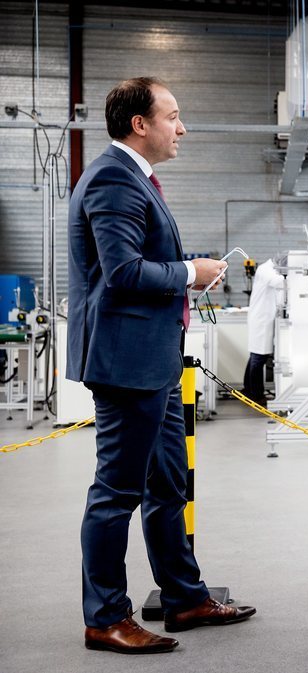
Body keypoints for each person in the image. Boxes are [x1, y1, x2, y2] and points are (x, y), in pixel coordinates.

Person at [67, 77, 256, 655]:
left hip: (154, 358)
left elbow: (137, 262)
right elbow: (122, 273)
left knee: (168, 483)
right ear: (139, 124)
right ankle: (104, 617)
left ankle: (184, 596)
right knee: (116, 492)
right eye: (173, 116)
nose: (183, 127)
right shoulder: (112, 179)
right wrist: (188, 274)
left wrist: (187, 270)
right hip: (127, 363)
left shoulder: (135, 180)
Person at [243, 259, 284, 406]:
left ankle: (248, 389)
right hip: (261, 320)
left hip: (262, 319)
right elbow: (280, 282)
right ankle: (256, 395)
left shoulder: (268, 269)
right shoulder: (266, 270)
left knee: (255, 356)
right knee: (258, 358)